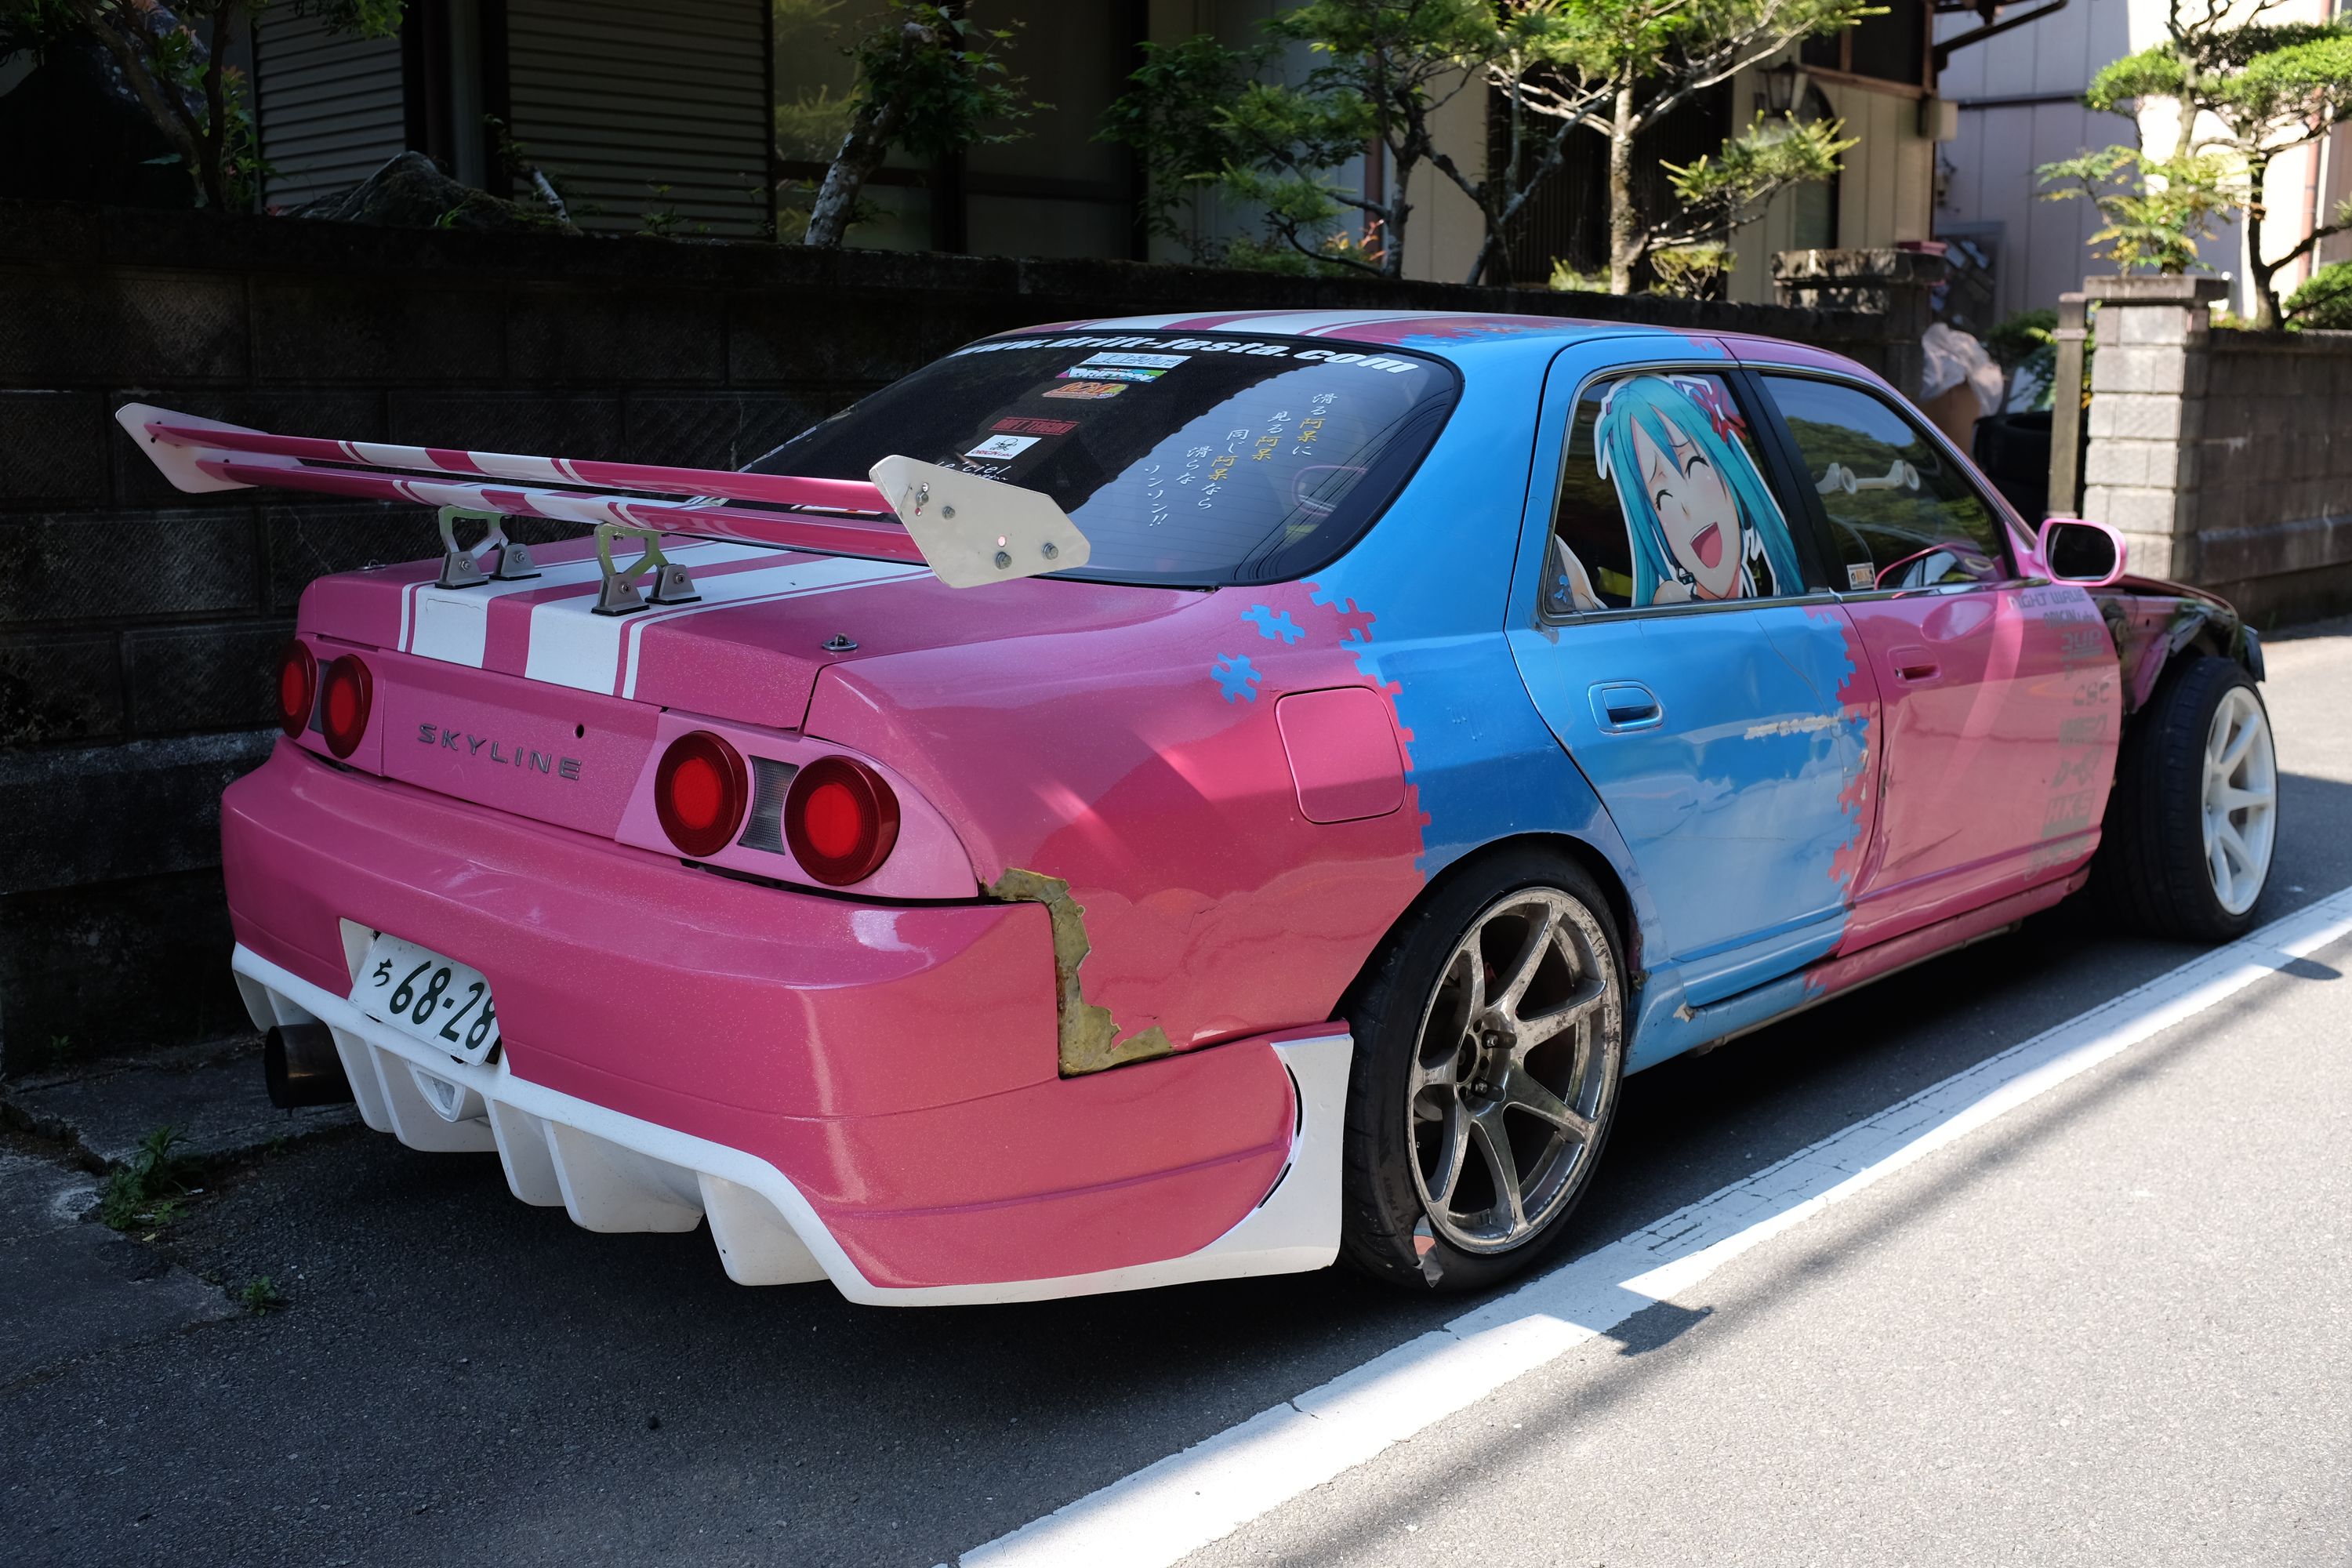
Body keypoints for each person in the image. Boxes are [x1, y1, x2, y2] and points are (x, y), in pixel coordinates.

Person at [1592, 374, 1802, 605]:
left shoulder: (1778, 587)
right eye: (1661, 496)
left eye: (1694, 465)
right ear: (1650, 522)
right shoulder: (1666, 616)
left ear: (1727, 466)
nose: (1685, 505)